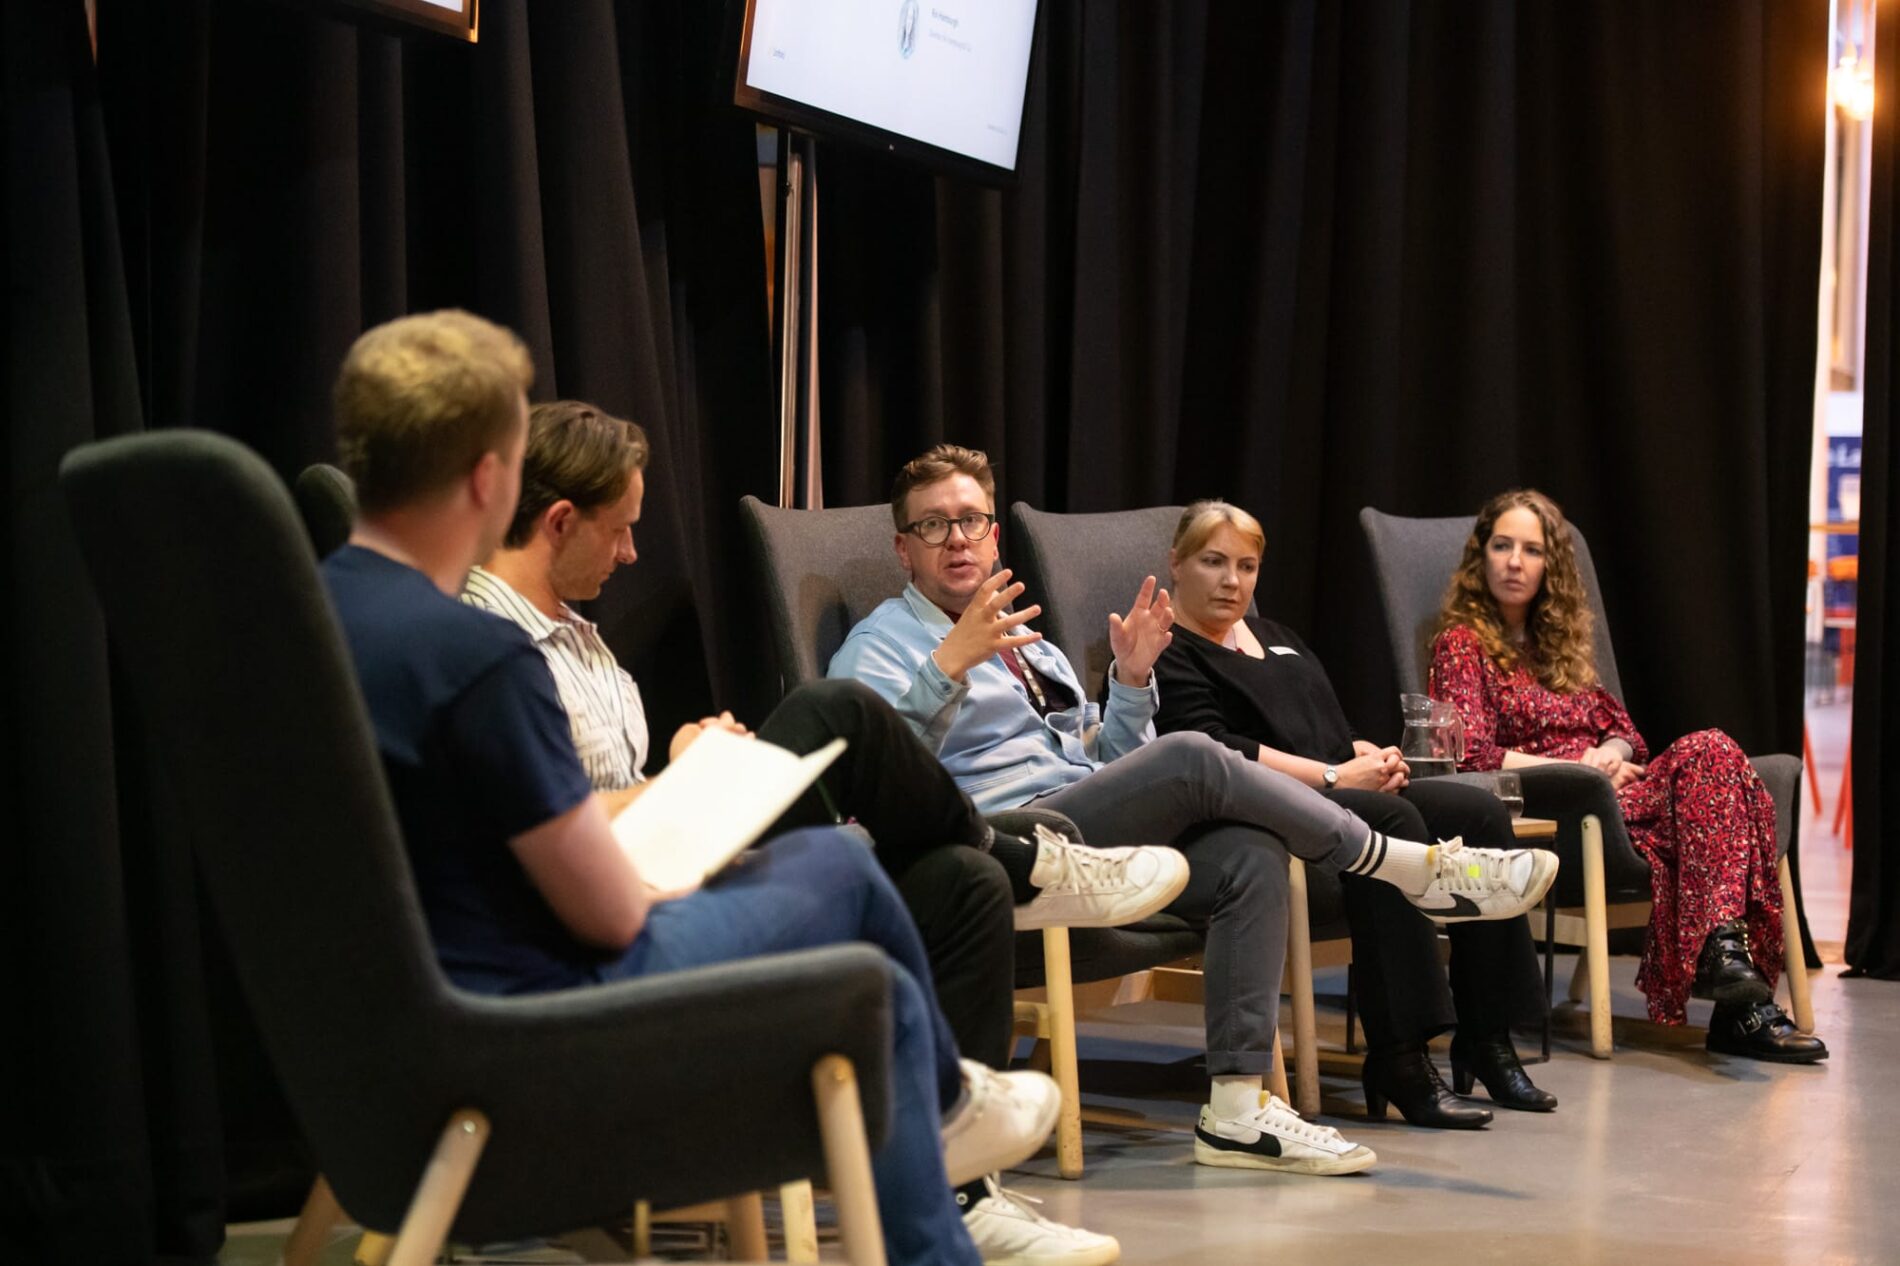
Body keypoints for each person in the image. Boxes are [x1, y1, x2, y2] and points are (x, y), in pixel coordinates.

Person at [318, 310, 1063, 1266]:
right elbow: (606, 919)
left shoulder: (318, 611)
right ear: (488, 478)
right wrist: (685, 830)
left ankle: (946, 1135)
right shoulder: (476, 652)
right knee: (835, 864)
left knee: (876, 976)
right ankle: (949, 1108)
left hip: (413, 1007)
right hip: (537, 1007)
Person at [464, 399, 1177, 1263]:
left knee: (963, 885)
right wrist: (685, 784)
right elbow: (533, 827)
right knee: (838, 710)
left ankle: (965, 1190)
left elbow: (599, 794)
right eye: (620, 531)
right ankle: (1030, 866)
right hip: (623, 918)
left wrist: (681, 765)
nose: (632, 554)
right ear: (559, 520)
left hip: (670, 867)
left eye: (973, 522)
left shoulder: (583, 641)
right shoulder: (487, 643)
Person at [829, 443, 1561, 1174]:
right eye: (933, 527)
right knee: (1191, 754)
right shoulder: (881, 644)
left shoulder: (1032, 647)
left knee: (1248, 851)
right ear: (904, 549)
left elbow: (1109, 763)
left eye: (971, 521)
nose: (956, 540)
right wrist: (947, 666)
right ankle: (1407, 868)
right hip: (1006, 839)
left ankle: (1238, 1110)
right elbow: (874, 779)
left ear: (994, 535)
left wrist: (1131, 679)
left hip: (1085, 827)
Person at [1153, 500, 1554, 1125]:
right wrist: (1339, 775)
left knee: (1476, 813)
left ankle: (1488, 1037)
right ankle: (1398, 1056)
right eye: (1213, 562)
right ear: (1176, 564)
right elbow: (1217, 753)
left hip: (1340, 785)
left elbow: (1328, 730)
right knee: (1395, 823)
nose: (1232, 581)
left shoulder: (1279, 637)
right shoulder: (1167, 649)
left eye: (1247, 565)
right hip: (1265, 811)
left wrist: (1368, 754)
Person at [1428, 488, 1827, 1064]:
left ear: (1550, 567)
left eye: (1532, 550)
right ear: (1481, 557)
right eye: (1503, 546)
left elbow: (1627, 733)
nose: (1515, 562)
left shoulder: (1558, 648)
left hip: (1615, 795)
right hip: (1557, 807)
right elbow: (1468, 755)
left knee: (1713, 754)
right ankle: (1739, 996)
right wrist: (1578, 769)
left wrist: (1611, 752)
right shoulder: (1461, 646)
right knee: (1716, 781)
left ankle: (1729, 969)